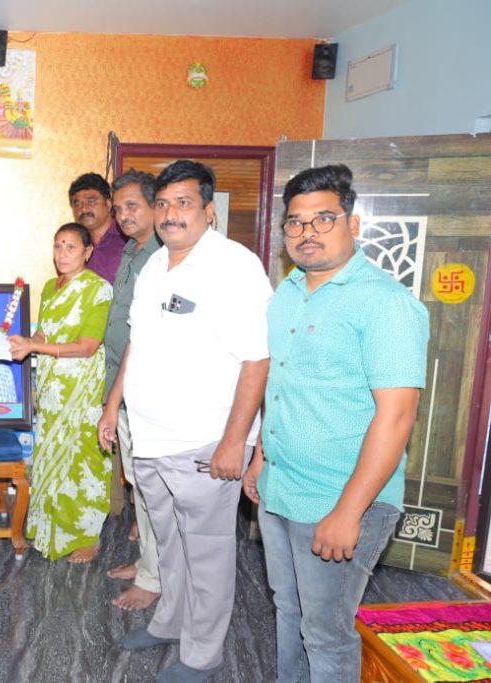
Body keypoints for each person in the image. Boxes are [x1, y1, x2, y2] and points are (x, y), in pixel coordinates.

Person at [243, 165, 429, 682]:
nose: (307, 232)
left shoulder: (387, 305)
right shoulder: (287, 292)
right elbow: (279, 385)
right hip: (280, 487)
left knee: (326, 631)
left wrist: (349, 512)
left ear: (354, 223)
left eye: (323, 218)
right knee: (288, 609)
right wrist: (260, 457)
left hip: (340, 498)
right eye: (295, 222)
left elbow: (397, 416)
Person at [116, 160, 271, 683]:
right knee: (168, 542)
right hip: (150, 437)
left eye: (183, 203)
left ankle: (203, 654)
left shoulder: (234, 266)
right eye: (162, 204)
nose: (170, 214)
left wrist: (235, 442)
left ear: (209, 211)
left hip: (204, 441)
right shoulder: (154, 265)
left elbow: (257, 359)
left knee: (206, 553)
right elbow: (137, 343)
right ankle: (169, 622)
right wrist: (115, 405)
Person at [9, 223, 113, 564]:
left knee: (82, 460)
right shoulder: (51, 287)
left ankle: (87, 537)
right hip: (52, 387)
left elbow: (87, 346)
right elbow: (43, 334)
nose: (62, 254)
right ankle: (49, 527)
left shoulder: (99, 289)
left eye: (71, 247)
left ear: (88, 251)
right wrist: (26, 343)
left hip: (82, 388)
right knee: (51, 455)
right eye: (58, 246)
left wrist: (35, 347)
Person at [96, 170, 162, 611]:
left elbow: (146, 334)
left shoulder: (163, 254)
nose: (122, 215)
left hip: (144, 388)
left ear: (156, 205)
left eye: (132, 206)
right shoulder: (130, 251)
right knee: (138, 481)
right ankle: (147, 564)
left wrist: (117, 396)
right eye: (118, 208)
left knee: (152, 486)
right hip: (121, 382)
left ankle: (155, 578)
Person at [69, 172, 129, 517]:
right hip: (86, 357)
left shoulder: (126, 246)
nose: (83, 208)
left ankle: (123, 509)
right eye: (77, 203)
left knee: (124, 430)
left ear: (109, 204)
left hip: (122, 352)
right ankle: (99, 504)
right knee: (98, 427)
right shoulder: (76, 245)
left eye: (91, 200)